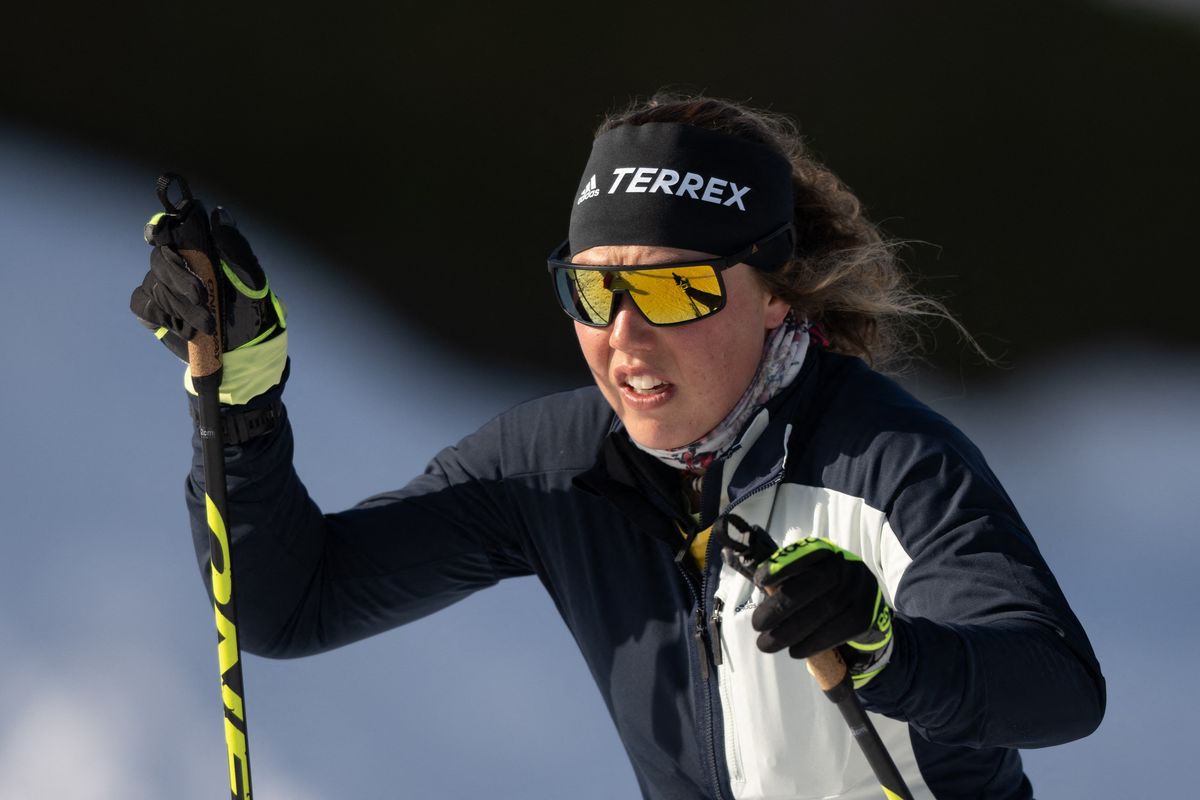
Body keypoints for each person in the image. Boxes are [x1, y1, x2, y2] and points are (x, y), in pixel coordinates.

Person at [131, 93, 1105, 800]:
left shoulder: (888, 460)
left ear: (774, 294)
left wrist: (892, 649)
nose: (625, 339)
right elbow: (291, 603)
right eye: (594, 291)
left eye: (676, 290)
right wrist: (245, 403)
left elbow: (1058, 683)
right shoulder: (558, 463)